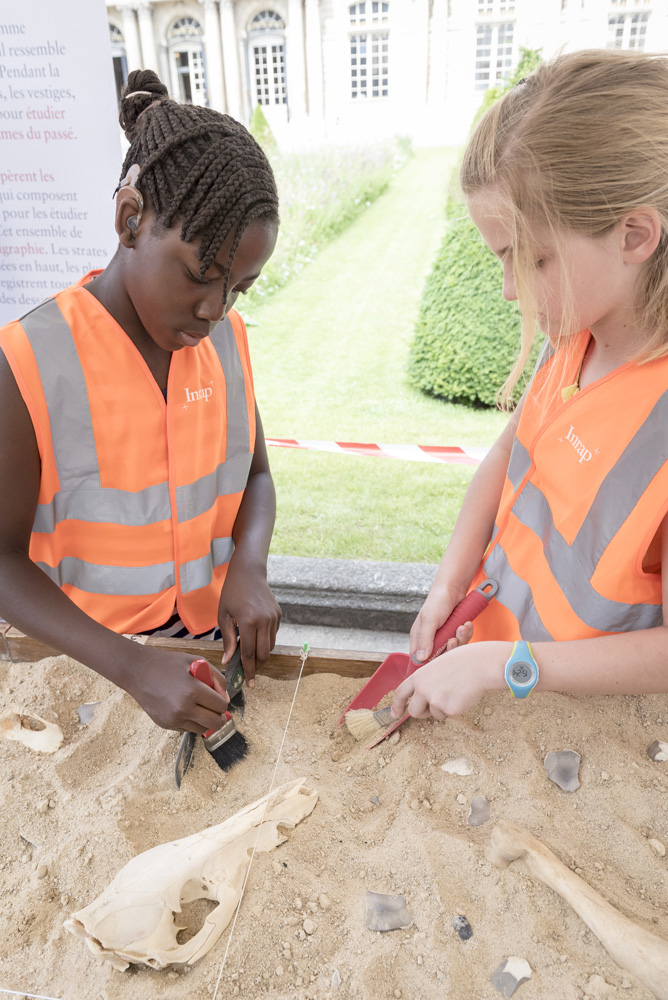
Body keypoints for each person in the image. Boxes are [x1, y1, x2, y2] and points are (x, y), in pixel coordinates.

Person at [0, 70, 282, 736]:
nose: (215, 310)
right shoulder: (28, 359)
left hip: (200, 648)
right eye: (200, 276)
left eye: (238, 288)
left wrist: (248, 566)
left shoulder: (227, 342)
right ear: (131, 219)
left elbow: (257, 477)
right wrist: (131, 666)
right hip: (87, 660)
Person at [392, 49, 668, 722]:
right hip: (496, 676)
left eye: (533, 258)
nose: (511, 291)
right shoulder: (575, 332)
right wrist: (449, 582)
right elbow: (508, 457)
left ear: (635, 235)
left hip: (576, 716)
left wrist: (505, 666)